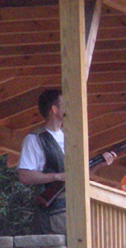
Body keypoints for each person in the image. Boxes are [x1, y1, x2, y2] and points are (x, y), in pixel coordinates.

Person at [17, 89, 116, 234]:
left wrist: (99, 164)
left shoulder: (70, 137)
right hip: (54, 215)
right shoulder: (35, 139)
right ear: (54, 109)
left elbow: (78, 176)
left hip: (75, 210)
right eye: (65, 104)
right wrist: (57, 176)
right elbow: (24, 176)